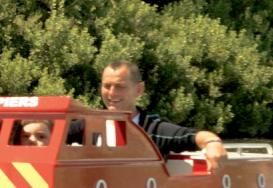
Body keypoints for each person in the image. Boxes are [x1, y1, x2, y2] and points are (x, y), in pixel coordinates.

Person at [69, 61, 228, 173]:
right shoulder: (87, 125)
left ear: (138, 90)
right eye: (106, 86)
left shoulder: (154, 129)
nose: (111, 93)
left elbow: (193, 136)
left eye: (120, 87)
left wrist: (213, 142)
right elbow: (49, 133)